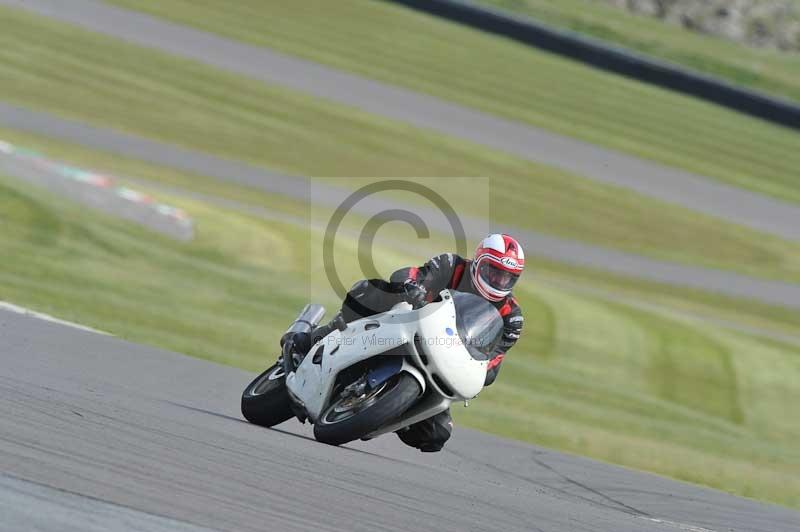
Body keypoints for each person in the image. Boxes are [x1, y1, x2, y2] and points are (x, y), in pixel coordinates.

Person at [293, 234, 525, 452]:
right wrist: (414, 287)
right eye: (493, 271)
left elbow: (493, 359)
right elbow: (412, 274)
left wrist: (482, 372)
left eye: (506, 277)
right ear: (478, 262)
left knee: (436, 434)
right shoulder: (452, 265)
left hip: (445, 360)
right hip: (409, 325)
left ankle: (389, 410)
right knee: (370, 291)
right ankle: (319, 337)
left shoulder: (511, 317)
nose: (498, 280)